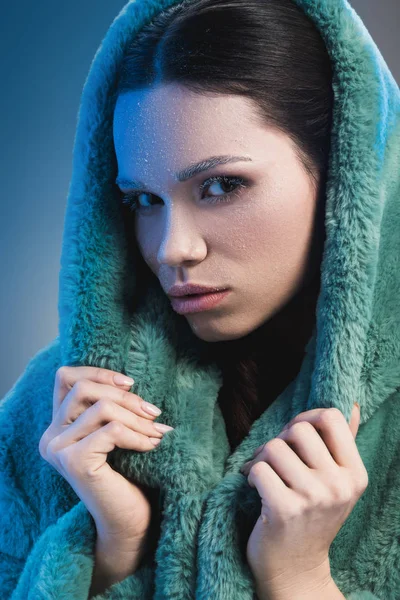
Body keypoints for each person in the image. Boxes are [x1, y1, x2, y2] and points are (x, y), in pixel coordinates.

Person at [0, 0, 399, 598]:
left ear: (344, 176)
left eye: (221, 185)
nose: (171, 249)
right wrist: (110, 547)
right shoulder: (57, 412)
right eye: (143, 201)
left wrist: (300, 578)